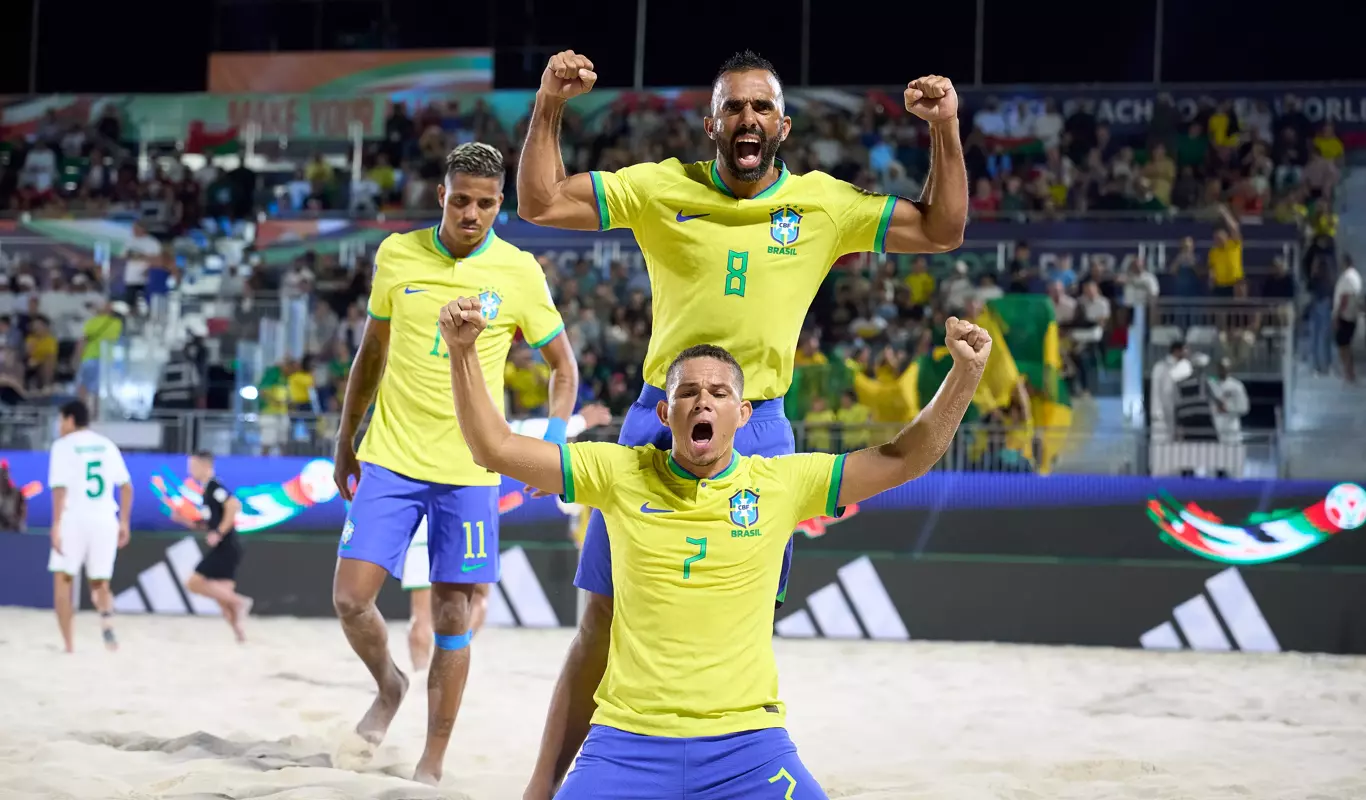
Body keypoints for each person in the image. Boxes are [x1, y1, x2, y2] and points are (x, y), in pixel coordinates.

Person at [516, 49, 966, 793]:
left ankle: (728, 773)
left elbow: (943, 229)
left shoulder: (824, 204)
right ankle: (545, 789)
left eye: (761, 107)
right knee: (600, 621)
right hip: (654, 425)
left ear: (782, 124)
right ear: (711, 123)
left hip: (759, 432)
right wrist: (550, 101)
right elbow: (538, 204)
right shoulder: (664, 188)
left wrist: (944, 127)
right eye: (733, 107)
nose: (747, 119)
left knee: (742, 623)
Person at [434, 297, 988, 800]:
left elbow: (902, 458)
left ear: (743, 415)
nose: (704, 401)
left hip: (749, 747)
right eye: (688, 392)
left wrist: (965, 375)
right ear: (664, 412)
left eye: (720, 393)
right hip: (626, 742)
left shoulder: (783, 482)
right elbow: (493, 446)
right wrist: (462, 354)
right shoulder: (618, 470)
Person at [330, 142, 579, 786]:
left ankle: (432, 761)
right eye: (461, 199)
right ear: (442, 195)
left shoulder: (519, 271)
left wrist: (549, 446)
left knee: (451, 617)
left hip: (471, 471)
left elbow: (564, 369)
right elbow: (371, 353)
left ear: (501, 205)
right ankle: (389, 686)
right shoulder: (397, 254)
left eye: (487, 204)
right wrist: (344, 435)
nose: (472, 213)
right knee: (351, 600)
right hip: (388, 457)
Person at [400, 406, 613, 672]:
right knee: (479, 598)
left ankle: (419, 674)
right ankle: (446, 662)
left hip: (423, 515)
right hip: (465, 512)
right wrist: (580, 420)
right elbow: (527, 432)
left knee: (420, 616)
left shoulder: (420, 421)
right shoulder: (475, 419)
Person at [46, 399, 132, 653]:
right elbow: (126, 487)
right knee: (100, 582)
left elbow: (59, 489)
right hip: (105, 519)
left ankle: (69, 645)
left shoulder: (62, 446)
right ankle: (107, 623)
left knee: (64, 581)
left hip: (74, 519)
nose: (60, 426)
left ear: (71, 419)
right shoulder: (107, 445)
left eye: (61, 420)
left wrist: (55, 524)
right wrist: (124, 522)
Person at [171, 451, 251, 642]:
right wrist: (182, 519)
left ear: (204, 465)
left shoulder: (214, 486)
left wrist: (219, 533)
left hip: (227, 545)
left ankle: (241, 602)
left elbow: (233, 504)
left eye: (192, 466)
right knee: (223, 600)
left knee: (193, 582)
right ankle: (240, 636)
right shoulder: (206, 490)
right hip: (227, 546)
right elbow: (207, 523)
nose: (190, 471)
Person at [1334, 255, 1361, 384]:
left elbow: (1345, 297)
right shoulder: (1356, 276)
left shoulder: (1348, 277)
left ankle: (1348, 372)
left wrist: (1337, 315)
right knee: (1346, 345)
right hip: (1351, 315)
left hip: (1345, 315)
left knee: (1343, 345)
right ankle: (1349, 372)